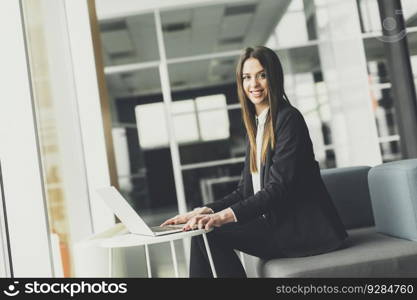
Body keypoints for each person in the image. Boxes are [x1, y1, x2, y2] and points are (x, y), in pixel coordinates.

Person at [161, 46, 348, 278]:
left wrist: (221, 218)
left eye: (262, 75)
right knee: (203, 228)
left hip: (301, 232)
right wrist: (207, 210)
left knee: (210, 231)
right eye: (247, 77)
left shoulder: (288, 119)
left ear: (274, 77)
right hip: (275, 225)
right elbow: (244, 191)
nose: (254, 84)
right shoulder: (258, 125)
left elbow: (278, 189)